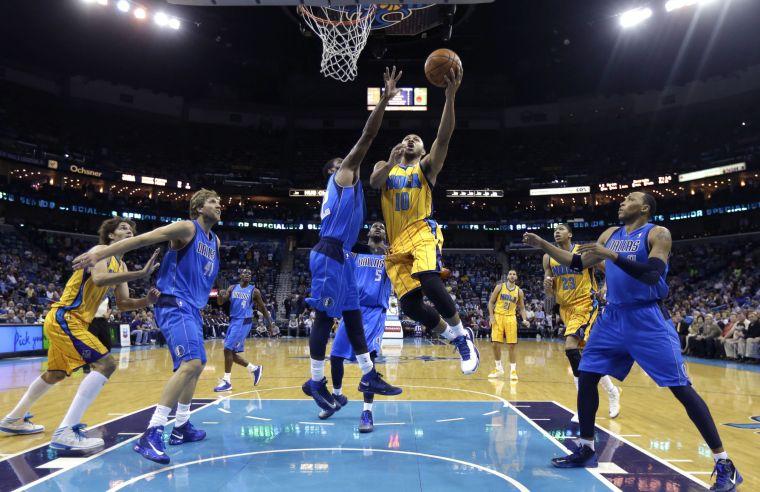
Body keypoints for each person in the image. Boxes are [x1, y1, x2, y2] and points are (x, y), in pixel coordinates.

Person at [523, 191, 742, 491]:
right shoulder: (609, 233)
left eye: (629, 199)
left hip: (648, 319)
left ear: (644, 208)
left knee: (681, 388)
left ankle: (724, 462)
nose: (622, 202)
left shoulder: (658, 233)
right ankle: (587, 447)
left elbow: (652, 275)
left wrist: (611, 255)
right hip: (612, 317)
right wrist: (542, 245)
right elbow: (577, 262)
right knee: (586, 375)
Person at [72, 188, 222, 465]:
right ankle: (152, 433)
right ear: (199, 208)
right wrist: (100, 254)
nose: (219, 205)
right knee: (190, 364)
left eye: (220, 202)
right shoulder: (186, 228)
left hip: (192, 307)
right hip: (174, 303)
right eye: (213, 202)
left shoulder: (215, 241)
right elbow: (142, 239)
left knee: (197, 365)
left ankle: (182, 426)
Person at [0, 218, 160, 454]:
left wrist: (146, 301)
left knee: (55, 374)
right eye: (123, 228)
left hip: (71, 322)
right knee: (106, 363)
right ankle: (66, 431)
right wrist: (141, 273)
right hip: (66, 317)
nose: (129, 231)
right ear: (111, 236)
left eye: (131, 229)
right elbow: (98, 279)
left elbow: (124, 303)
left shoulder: (122, 266)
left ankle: (13, 419)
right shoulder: (100, 251)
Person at [303, 68, 402, 414]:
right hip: (330, 253)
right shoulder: (344, 176)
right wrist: (385, 101)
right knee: (322, 318)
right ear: (336, 169)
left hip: (341, 256)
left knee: (353, 314)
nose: (348, 162)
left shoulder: (351, 188)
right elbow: (368, 135)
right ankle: (315, 380)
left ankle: (369, 374)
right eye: (341, 162)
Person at [369, 66, 479, 375]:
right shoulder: (385, 165)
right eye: (406, 137)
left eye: (416, 138)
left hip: (421, 230)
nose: (410, 139)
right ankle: (455, 335)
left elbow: (444, 137)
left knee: (430, 281)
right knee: (410, 306)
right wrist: (390, 161)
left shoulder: (427, 168)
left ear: (422, 149)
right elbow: (375, 183)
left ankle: (461, 334)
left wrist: (450, 97)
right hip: (395, 243)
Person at [542, 223, 621, 421]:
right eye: (555, 230)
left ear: (570, 233)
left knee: (570, 347)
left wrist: (604, 287)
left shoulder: (583, 252)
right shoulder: (547, 257)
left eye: (561, 229)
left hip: (585, 303)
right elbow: (549, 291)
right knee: (587, 357)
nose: (557, 231)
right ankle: (612, 391)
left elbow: (609, 271)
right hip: (565, 308)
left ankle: (583, 402)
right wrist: (547, 286)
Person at [321, 222, 392, 433]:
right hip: (351, 309)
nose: (379, 227)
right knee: (335, 357)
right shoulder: (354, 255)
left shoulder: (390, 258)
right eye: (375, 226)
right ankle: (337, 396)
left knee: (368, 362)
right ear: (368, 233)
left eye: (382, 226)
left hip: (374, 313)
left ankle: (367, 412)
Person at [213, 268, 273, 391]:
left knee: (227, 349)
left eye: (250, 274)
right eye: (245, 273)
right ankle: (255, 369)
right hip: (234, 321)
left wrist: (270, 324)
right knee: (231, 353)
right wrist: (220, 294)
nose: (247, 275)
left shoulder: (254, 291)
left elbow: (262, 308)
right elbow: (220, 302)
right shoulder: (232, 288)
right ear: (240, 275)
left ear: (251, 278)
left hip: (243, 322)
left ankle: (227, 381)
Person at [487, 270, 530, 381]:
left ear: (516, 277)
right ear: (507, 276)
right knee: (495, 344)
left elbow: (522, 308)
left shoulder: (519, 291)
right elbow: (491, 303)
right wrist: (491, 317)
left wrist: (525, 319)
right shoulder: (499, 287)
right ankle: (498, 368)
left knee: (512, 345)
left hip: (511, 318)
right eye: (510, 274)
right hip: (498, 316)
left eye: (514, 274)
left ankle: (513, 370)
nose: (512, 275)